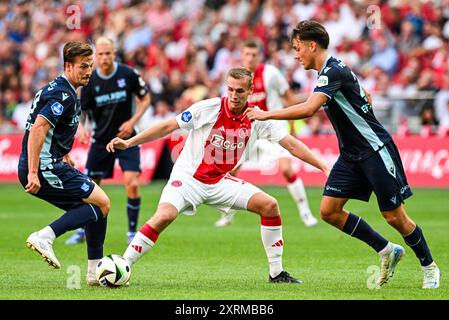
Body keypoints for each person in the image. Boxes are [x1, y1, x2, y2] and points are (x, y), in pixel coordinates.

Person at [246, 20, 440, 289]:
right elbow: (365, 94)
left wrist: (266, 114)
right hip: (351, 156)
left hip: (374, 150)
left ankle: (429, 267)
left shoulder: (332, 71)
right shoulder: (333, 70)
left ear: (312, 45)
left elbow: (309, 109)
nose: (295, 53)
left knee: (395, 217)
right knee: (329, 210)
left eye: (297, 47)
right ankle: (387, 250)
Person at [106, 67, 330, 283]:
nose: (233, 95)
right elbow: (168, 126)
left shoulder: (258, 119)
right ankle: (122, 265)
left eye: (239, 91)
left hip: (219, 182)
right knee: (164, 215)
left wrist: (323, 167)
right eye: (230, 89)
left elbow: (291, 145)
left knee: (269, 205)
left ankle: (276, 273)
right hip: (187, 179)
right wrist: (130, 142)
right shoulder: (209, 108)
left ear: (250, 92)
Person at [19, 42, 110, 286]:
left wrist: (63, 152)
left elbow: (50, 130)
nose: (88, 71)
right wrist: (33, 172)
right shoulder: (63, 95)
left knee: (98, 205)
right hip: (44, 166)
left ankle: (94, 273)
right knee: (102, 203)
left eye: (90, 66)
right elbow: (38, 128)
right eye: (83, 66)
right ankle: (44, 236)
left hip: (51, 160)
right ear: (68, 66)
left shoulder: (64, 89)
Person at [214, 39, 318, 228]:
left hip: (272, 128)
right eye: (246, 54)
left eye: (254, 55)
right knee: (230, 171)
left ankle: (306, 213)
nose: (250, 58)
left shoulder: (271, 73)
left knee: (286, 169)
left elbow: (289, 100)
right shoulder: (236, 78)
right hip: (247, 131)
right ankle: (227, 215)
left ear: (259, 56)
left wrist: (293, 128)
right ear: (241, 56)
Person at [65, 37, 151, 245]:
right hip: (101, 141)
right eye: (100, 54)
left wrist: (132, 121)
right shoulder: (90, 79)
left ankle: (131, 232)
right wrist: (83, 127)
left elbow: (145, 98)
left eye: (108, 53)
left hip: (126, 139)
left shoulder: (128, 74)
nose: (104, 57)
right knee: (90, 189)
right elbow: (83, 110)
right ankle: (83, 231)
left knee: (132, 183)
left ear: (114, 53)